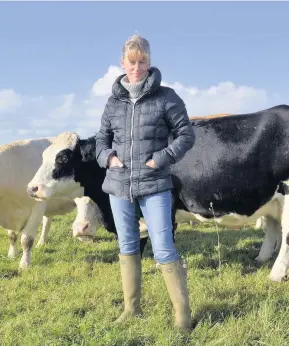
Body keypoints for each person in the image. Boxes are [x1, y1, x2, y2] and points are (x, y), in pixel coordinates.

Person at [95, 34, 196, 332]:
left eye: (142, 62)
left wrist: (161, 158)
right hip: (119, 186)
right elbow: (101, 139)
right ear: (122, 62)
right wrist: (108, 158)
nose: (136, 67)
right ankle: (131, 308)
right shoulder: (113, 102)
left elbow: (186, 135)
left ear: (149, 62)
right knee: (127, 246)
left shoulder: (167, 97)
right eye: (131, 62)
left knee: (163, 248)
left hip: (154, 185)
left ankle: (182, 317)